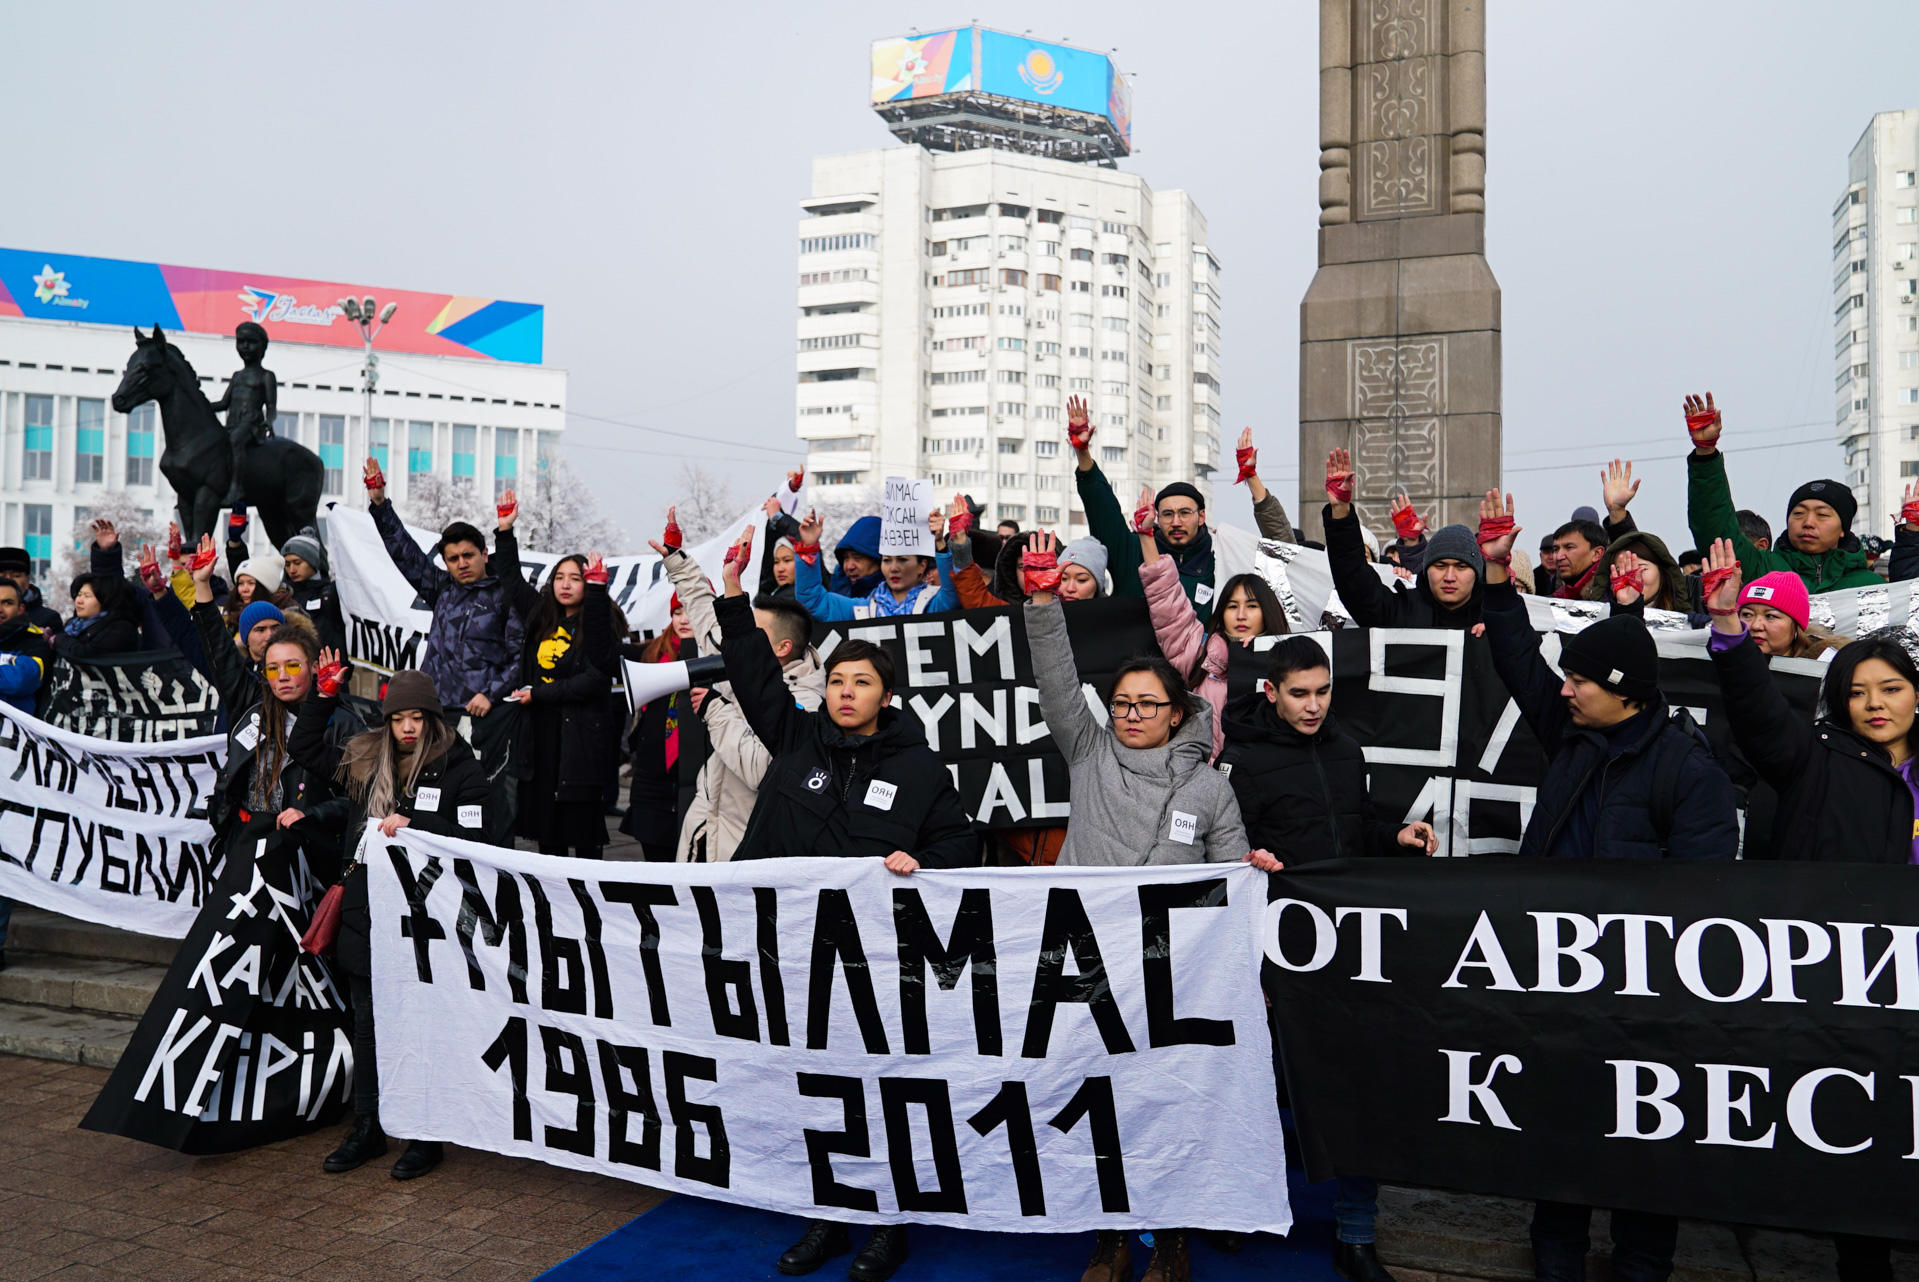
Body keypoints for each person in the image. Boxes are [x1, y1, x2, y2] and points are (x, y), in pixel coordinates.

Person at [1480, 496, 1738, 1282]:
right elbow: (1520, 659)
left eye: (1581, 681)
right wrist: (1496, 573)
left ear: (1623, 689)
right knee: (1560, 1141)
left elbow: (1699, 898)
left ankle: (1639, 1262)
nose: (1563, 691)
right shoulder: (1570, 732)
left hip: (1643, 1006)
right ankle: (1553, 1254)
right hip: (1557, 989)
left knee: (1638, 1157)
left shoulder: (1686, 773)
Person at [714, 529, 975, 1282]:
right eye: (836, 683)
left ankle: (886, 1225)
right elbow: (754, 674)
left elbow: (962, 849)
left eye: (860, 684)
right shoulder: (795, 741)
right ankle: (826, 1214)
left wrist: (917, 860)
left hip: (880, 961)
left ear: (884, 696)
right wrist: (733, 597)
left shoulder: (919, 768)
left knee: (880, 1091)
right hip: (795, 951)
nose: (846, 694)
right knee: (814, 1087)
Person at [1026, 532, 1262, 1282]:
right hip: (1089, 966)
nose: (1128, 715)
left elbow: (1228, 880)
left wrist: (1249, 872)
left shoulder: (1209, 785)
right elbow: (1059, 682)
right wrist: (1039, 603)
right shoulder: (1089, 754)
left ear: (1176, 711)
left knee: (1168, 1106)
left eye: (1144, 705)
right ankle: (1109, 1235)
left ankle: (1171, 1237)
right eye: (1121, 704)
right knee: (1100, 1102)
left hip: (1171, 977)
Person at [1697, 538, 1908, 1282]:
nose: (1874, 704)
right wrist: (1728, 632)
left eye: (1888, 689)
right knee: (1865, 1170)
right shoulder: (1814, 761)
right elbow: (1756, 717)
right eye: (1857, 692)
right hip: (1851, 1003)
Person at [1216, 635, 1434, 1282]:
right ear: (1271, 693)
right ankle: (1237, 1214)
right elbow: (1231, 860)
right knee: (1258, 1093)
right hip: (1274, 953)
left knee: (1354, 1090)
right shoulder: (1246, 764)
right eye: (1300, 694)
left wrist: (1392, 836)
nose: (1314, 706)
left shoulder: (1345, 751)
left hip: (1345, 951)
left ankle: (1355, 1233)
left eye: (1322, 692)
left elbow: (1353, 826)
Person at [291, 658, 489, 1183]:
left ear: (432, 719)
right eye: (397, 717)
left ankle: (425, 1136)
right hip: (366, 911)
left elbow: (483, 834)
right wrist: (324, 696)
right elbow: (304, 750)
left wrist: (419, 822)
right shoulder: (363, 758)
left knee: (421, 1026)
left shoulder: (459, 766)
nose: (406, 727)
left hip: (426, 922)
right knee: (368, 1026)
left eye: (417, 718)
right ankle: (368, 1128)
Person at [364, 457, 526, 843]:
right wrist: (379, 503)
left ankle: (495, 871)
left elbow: (520, 655)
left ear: (484, 554)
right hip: (435, 716)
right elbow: (405, 554)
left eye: (468, 555)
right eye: (452, 558)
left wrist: (492, 693)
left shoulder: (506, 595)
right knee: (428, 797)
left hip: (484, 718)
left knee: (488, 801)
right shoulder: (442, 589)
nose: (461, 564)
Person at [663, 529, 826, 863]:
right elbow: (708, 618)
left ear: (783, 647)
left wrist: (715, 711)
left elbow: (757, 771)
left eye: (753, 632)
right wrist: (678, 562)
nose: (741, 638)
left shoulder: (807, 701)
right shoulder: (741, 663)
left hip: (744, 847)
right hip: (706, 834)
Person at [1684, 392, 1880, 593]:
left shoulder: (1871, 586)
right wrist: (1706, 453)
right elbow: (1715, 528)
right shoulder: (1761, 569)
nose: (1808, 522)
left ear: (1843, 529)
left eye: (1822, 515)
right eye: (1798, 513)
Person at [1140, 498, 1288, 759]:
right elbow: (1167, 602)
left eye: (1252, 606)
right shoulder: (1201, 653)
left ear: (1268, 612)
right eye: (1232, 606)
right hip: (1207, 783)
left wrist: (1261, 654)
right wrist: (1146, 537)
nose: (1241, 615)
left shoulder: (1288, 660)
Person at [502, 550, 621, 859]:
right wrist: (505, 533)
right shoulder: (542, 617)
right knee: (548, 835)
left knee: (583, 838)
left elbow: (595, 680)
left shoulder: (599, 624)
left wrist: (540, 694)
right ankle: (554, 905)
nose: (565, 585)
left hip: (580, 744)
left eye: (576, 578)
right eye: (559, 577)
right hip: (541, 740)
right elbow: (513, 583)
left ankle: (589, 905)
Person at [1322, 449, 1484, 631]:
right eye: (1440, 566)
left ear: (1477, 572)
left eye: (1461, 567)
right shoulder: (1399, 612)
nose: (1449, 577)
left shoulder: (1494, 618)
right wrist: (1341, 511)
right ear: (1426, 569)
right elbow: (1353, 580)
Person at [619, 590, 694, 862]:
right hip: (653, 780)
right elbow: (603, 653)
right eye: (677, 612)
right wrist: (595, 591)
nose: (683, 619)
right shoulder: (652, 652)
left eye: (690, 610)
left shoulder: (720, 655)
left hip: (693, 781)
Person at [791, 509, 957, 619]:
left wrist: (942, 544)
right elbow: (813, 600)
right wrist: (808, 548)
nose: (893, 568)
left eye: (902, 560)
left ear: (922, 566)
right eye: (886, 560)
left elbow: (955, 590)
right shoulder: (862, 610)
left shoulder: (934, 604)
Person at [208, 321, 277, 506]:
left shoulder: (266, 376)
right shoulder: (237, 376)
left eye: (251, 342)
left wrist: (269, 422)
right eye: (241, 341)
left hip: (251, 424)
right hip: (232, 423)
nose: (245, 347)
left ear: (262, 346)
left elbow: (271, 406)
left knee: (235, 441)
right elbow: (224, 403)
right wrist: (201, 406)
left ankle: (236, 488)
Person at [1590, 534, 1699, 619]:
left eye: (1642, 569)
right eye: (1621, 571)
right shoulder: (1593, 623)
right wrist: (1626, 607)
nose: (1632, 579)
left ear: (1663, 572)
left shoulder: (1694, 623)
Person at [281, 526, 347, 656]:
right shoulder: (282, 595)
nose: (292, 570)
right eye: (287, 564)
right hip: (293, 668)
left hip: (329, 668)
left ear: (312, 562)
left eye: (297, 562)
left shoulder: (332, 593)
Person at [51, 567, 141, 662]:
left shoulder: (119, 628)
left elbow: (85, 654)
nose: (79, 601)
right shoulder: (72, 624)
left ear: (104, 600)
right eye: (79, 594)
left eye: (87, 596)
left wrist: (58, 639)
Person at [1545, 517, 1608, 600]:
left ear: (1597, 553)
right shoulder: (1556, 598)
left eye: (1569, 547)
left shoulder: (1615, 594)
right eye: (1556, 549)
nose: (1559, 557)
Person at [0, 547, 61, 632]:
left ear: (27, 581)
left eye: (16, 575)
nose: (9, 580)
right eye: (2, 576)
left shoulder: (49, 619)